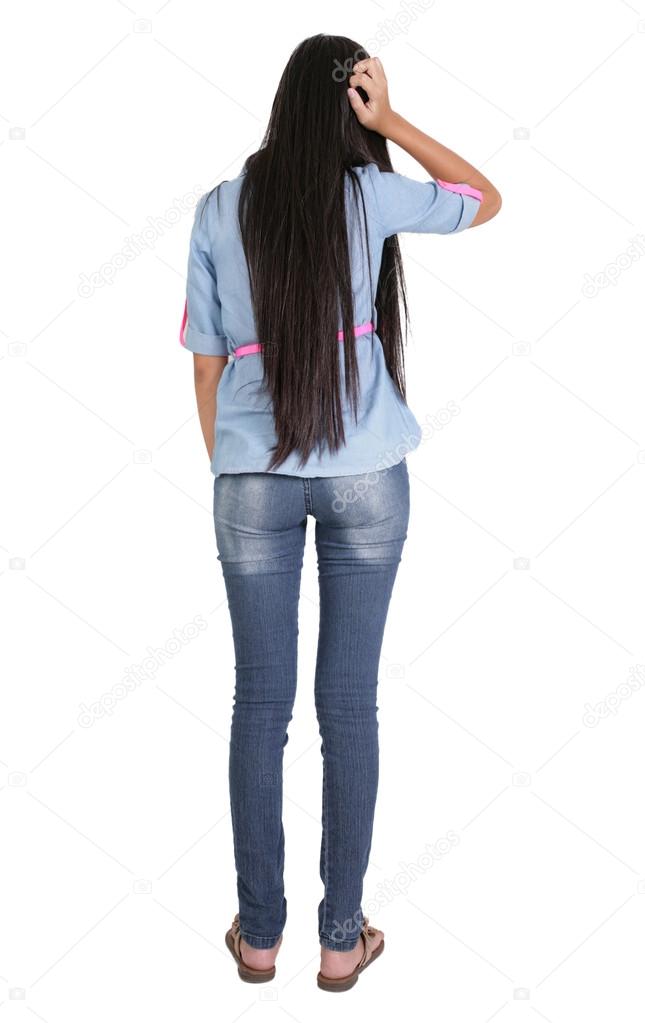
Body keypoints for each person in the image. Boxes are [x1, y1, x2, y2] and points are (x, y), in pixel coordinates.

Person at [180, 34, 501, 992]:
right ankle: (340, 937)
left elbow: (205, 366)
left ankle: (259, 937)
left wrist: (236, 467)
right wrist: (391, 121)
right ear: (347, 108)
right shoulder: (371, 193)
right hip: (368, 479)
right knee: (349, 704)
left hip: (251, 479)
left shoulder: (218, 206)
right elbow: (482, 197)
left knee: (259, 703)